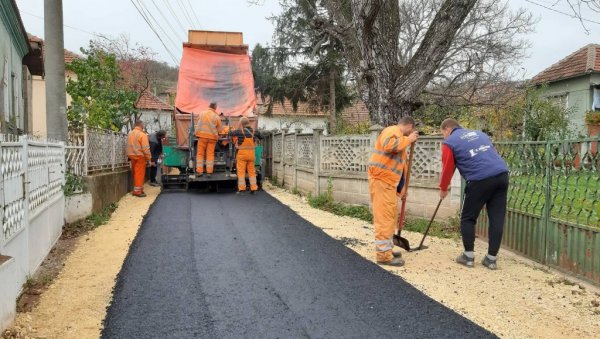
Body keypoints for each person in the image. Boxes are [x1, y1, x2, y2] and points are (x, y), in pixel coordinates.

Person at [438, 118, 509, 270]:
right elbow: (493, 153)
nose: (444, 137)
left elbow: (447, 168)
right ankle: (491, 259)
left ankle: (468, 256)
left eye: (442, 134)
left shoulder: (449, 142)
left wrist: (443, 188)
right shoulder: (480, 134)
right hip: (501, 174)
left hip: (479, 179)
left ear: (446, 130)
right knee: (497, 218)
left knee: (468, 218)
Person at [368, 117, 419, 267]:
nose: (410, 134)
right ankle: (383, 255)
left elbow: (400, 169)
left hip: (388, 183)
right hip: (381, 181)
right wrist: (408, 139)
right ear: (409, 126)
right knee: (384, 218)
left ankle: (387, 249)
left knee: (390, 217)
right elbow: (389, 145)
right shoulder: (392, 131)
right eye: (411, 130)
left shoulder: (400, 138)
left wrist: (402, 190)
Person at [229, 117, 261, 194]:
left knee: (241, 172)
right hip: (251, 155)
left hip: (242, 155)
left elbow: (230, 133)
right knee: (252, 172)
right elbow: (261, 136)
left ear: (242, 124)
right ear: (248, 123)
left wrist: (232, 129)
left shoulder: (239, 131)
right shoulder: (254, 131)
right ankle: (254, 188)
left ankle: (242, 189)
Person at [195, 102, 222, 177]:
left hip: (202, 136)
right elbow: (220, 130)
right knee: (210, 154)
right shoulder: (216, 117)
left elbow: (198, 122)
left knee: (200, 154)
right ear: (215, 107)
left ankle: (199, 171)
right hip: (212, 138)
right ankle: (209, 172)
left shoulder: (202, 113)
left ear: (209, 106)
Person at [127, 120, 151, 197]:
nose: (143, 126)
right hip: (140, 157)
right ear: (141, 125)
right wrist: (148, 159)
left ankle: (137, 189)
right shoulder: (142, 135)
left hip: (131, 156)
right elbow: (145, 148)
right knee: (139, 174)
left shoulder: (130, 134)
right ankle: (137, 192)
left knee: (135, 173)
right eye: (143, 124)